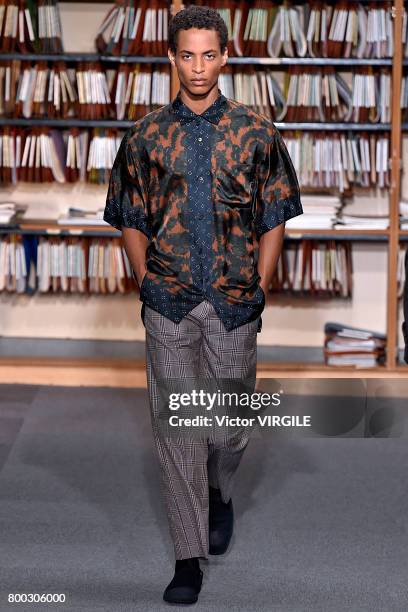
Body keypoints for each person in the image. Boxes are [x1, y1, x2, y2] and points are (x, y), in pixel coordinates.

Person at [103, 5, 303, 605]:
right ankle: (187, 559)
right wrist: (146, 279)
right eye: (186, 54)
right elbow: (130, 217)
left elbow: (275, 217)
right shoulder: (144, 136)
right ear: (171, 57)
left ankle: (220, 490)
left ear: (224, 56)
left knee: (228, 428)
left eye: (209, 54)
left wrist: (259, 283)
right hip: (168, 302)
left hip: (234, 303)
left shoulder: (257, 131)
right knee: (178, 429)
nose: (198, 66)